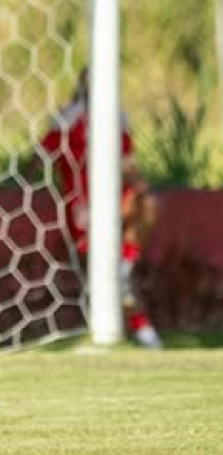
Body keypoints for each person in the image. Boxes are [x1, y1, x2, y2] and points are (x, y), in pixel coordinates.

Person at [37, 69, 162, 349]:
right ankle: (143, 332)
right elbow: (37, 160)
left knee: (150, 204)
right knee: (113, 279)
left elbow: (129, 165)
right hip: (83, 209)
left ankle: (126, 265)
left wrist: (139, 185)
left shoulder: (116, 117)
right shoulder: (67, 120)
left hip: (117, 203)